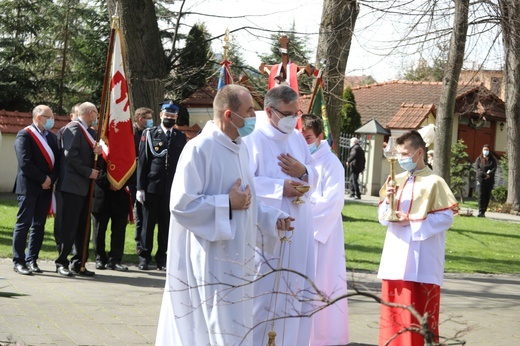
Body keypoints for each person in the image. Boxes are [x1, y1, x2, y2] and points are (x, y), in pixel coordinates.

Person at [155, 84, 294, 345]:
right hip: (212, 257)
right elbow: (182, 205)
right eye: (250, 110)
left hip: (239, 255)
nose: (255, 116)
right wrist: (226, 203)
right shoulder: (199, 148)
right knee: (219, 324)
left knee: (237, 324)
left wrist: (270, 219)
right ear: (230, 115)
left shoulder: (240, 147)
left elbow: (246, 200)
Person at [242, 85, 318, 346]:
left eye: (296, 113)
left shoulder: (297, 139)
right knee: (266, 292)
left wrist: (303, 173)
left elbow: (313, 175)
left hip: (300, 226)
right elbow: (244, 183)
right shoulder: (253, 139)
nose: (292, 119)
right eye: (286, 114)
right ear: (269, 111)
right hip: (269, 228)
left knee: (297, 290)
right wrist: (279, 188)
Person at [377, 130, 458, 346]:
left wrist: (412, 220)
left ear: (419, 152)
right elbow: (382, 215)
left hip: (422, 259)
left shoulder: (435, 182)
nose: (400, 158)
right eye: (398, 153)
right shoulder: (396, 178)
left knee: (420, 315)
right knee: (393, 316)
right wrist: (389, 203)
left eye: (404, 154)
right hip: (395, 254)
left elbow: (445, 218)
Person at [301, 114, 349, 346]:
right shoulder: (299, 158)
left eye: (308, 137)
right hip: (301, 233)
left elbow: (332, 202)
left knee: (322, 285)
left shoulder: (331, 164)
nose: (304, 142)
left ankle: (323, 339)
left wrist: (301, 208)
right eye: (300, 136)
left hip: (322, 235)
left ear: (320, 137)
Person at [136, 102, 186, 270]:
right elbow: (143, 161)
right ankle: (144, 257)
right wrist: (139, 187)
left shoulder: (180, 137)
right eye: (167, 115)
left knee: (166, 226)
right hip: (151, 187)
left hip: (171, 188)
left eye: (172, 116)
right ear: (161, 115)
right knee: (147, 225)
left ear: (176, 117)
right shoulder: (150, 133)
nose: (169, 118)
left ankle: (161, 258)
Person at [55, 102, 102, 277]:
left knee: (83, 227)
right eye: (96, 113)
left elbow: (85, 154)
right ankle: (61, 262)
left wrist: (96, 152)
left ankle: (78, 262)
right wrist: (88, 171)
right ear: (90, 113)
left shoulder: (89, 132)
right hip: (71, 186)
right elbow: (70, 155)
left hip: (83, 187)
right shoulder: (73, 129)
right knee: (69, 226)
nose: (97, 117)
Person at [12, 105, 60, 275]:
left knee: (39, 225)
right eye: (49, 116)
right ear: (39, 117)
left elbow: (58, 164)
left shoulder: (52, 138)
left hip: (46, 188)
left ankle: (32, 259)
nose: (52, 120)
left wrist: (50, 179)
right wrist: (43, 179)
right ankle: (18, 261)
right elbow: (25, 162)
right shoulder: (24, 135)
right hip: (29, 187)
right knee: (24, 224)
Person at [91, 156, 132, 271]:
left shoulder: (124, 146)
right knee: (99, 230)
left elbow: (131, 167)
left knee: (119, 230)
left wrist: (120, 182)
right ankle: (100, 258)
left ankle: (115, 260)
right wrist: (110, 182)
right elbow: (95, 168)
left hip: (120, 193)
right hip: (102, 194)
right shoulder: (99, 145)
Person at [54, 103, 80, 249]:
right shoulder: (64, 131)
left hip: (81, 183)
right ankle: (61, 245)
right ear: (71, 116)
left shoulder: (90, 132)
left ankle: (77, 246)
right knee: (62, 217)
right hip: (65, 181)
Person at [127, 107, 153, 254]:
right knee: (131, 213)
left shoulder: (151, 133)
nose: (150, 121)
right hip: (131, 179)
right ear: (140, 119)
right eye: (148, 118)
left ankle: (140, 244)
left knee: (142, 215)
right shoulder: (131, 134)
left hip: (145, 180)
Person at [474, 144, 497, 218]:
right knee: (481, 195)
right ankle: (480, 211)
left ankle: (484, 211)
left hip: (489, 180)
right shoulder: (479, 159)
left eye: (487, 150)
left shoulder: (492, 160)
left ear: (489, 151)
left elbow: (494, 168)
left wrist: (489, 174)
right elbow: (477, 169)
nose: (485, 151)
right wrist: (484, 174)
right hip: (480, 179)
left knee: (487, 195)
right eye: (484, 149)